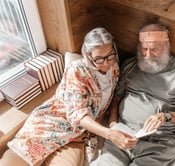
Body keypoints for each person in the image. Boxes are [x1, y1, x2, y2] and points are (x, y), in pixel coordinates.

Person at [0, 27, 137, 166]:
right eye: (99, 59)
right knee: (15, 160)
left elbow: (113, 100)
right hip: (52, 121)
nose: (106, 62)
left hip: (78, 134)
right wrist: (109, 134)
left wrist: (113, 124)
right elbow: (77, 113)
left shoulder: (114, 69)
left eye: (110, 55)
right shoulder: (77, 70)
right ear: (89, 56)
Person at [92, 24, 175, 166]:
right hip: (123, 135)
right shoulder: (130, 65)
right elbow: (116, 99)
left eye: (154, 49)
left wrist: (166, 116)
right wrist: (113, 125)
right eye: (144, 49)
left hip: (158, 143)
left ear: (166, 46)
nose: (148, 55)